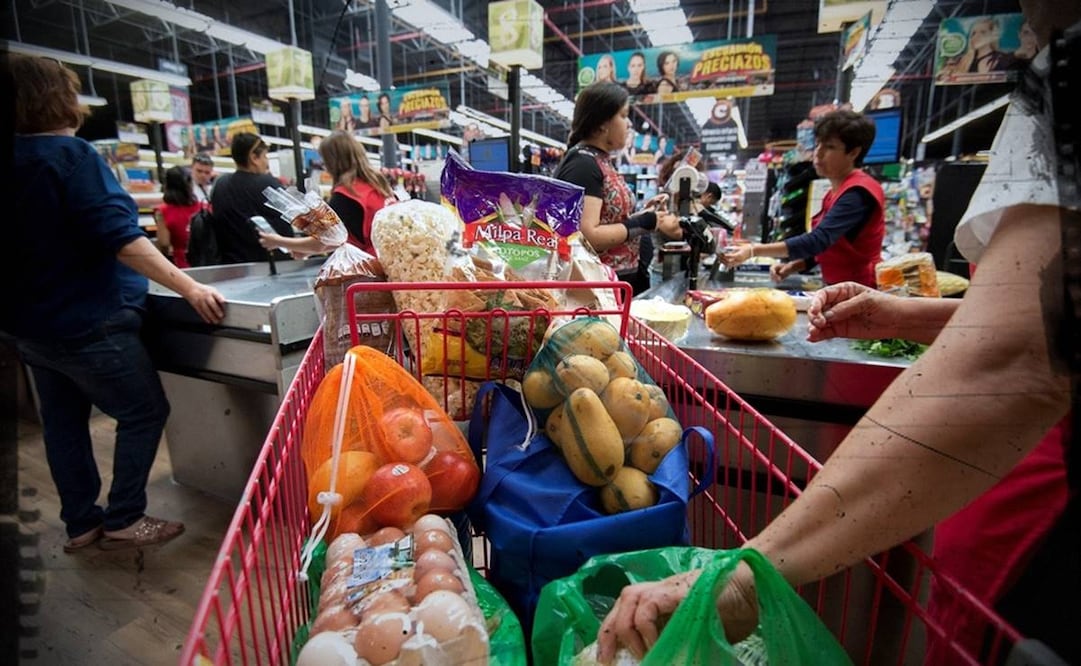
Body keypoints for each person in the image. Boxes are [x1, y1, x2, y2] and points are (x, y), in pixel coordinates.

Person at [596, 1, 1081, 662]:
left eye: (827, 143)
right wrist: (901, 314)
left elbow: (1020, 348)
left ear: (852, 149)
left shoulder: (862, 190)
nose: (1023, 21)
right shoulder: (1052, 64)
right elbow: (1030, 315)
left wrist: (742, 572)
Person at [4, 54, 226, 553]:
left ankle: (81, 523)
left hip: (30, 329)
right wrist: (188, 286)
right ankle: (125, 515)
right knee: (144, 410)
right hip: (90, 321)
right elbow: (121, 238)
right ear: (56, 97)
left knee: (63, 425)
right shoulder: (70, 157)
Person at [720, 109, 884, 287]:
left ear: (854, 152)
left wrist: (753, 250)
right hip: (839, 287)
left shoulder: (858, 193)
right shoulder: (835, 192)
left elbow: (819, 240)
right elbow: (832, 245)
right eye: (818, 144)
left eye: (830, 147)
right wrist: (796, 265)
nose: (818, 153)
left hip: (861, 291)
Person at [552, 82, 678, 295]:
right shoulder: (583, 164)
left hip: (614, 282)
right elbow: (587, 235)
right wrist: (643, 223)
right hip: (598, 290)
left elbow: (607, 221)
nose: (628, 123)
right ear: (602, 123)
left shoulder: (600, 160)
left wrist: (643, 216)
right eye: (623, 115)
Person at [259, 130, 395, 258]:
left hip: (374, 270)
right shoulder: (378, 185)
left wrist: (279, 241)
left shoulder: (346, 195)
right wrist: (307, 251)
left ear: (332, 162)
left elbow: (322, 241)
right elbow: (339, 237)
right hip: (395, 262)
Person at [209, 132, 294, 264]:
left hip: (231, 265)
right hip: (269, 264)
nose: (266, 162)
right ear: (254, 157)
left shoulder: (220, 184)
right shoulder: (267, 184)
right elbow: (292, 218)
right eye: (265, 156)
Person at [153, 165, 202, 269]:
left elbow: (164, 243)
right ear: (190, 184)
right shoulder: (204, 208)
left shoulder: (163, 212)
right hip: (204, 261)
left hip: (180, 264)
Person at [938, 16, 1017, 80]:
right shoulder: (962, 61)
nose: (976, 37)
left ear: (993, 35)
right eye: (973, 33)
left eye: (983, 32)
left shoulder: (1004, 58)